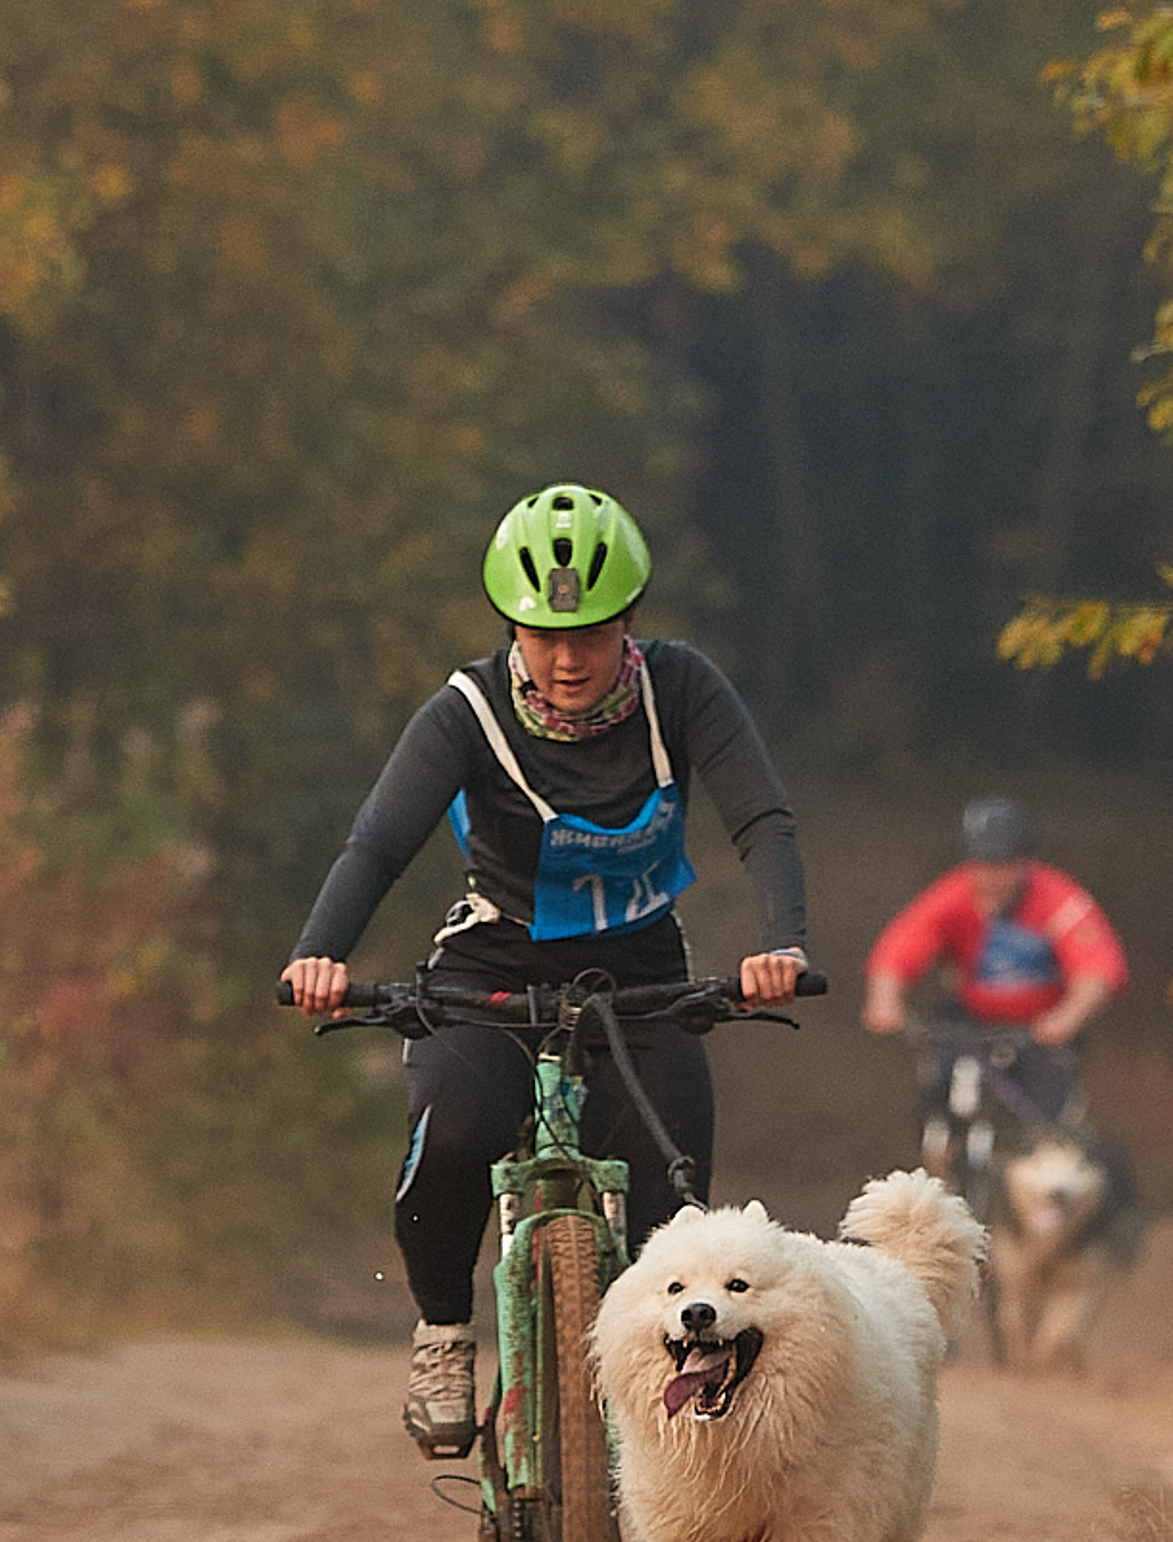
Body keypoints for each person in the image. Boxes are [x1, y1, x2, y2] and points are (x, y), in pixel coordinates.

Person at [282, 483, 809, 1469]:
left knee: (676, 1224)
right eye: (541, 635)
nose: (566, 660)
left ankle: (670, 1495)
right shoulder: (466, 711)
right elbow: (378, 841)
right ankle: (443, 1333)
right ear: (510, 628)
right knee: (454, 1134)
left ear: (629, 624)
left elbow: (760, 820)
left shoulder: (683, 692)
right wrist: (321, 952)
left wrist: (783, 943)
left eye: (592, 635)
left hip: (641, 970)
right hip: (491, 964)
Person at [859, 796, 1127, 1128]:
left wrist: (1067, 1018)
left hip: (1039, 1029)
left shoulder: (1059, 899)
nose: (994, 878)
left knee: (1048, 1125)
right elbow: (903, 944)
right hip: (969, 1023)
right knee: (935, 1096)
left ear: (1025, 861)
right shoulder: (954, 894)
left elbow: (1097, 969)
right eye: (985, 865)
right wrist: (885, 1000)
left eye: (1005, 865)